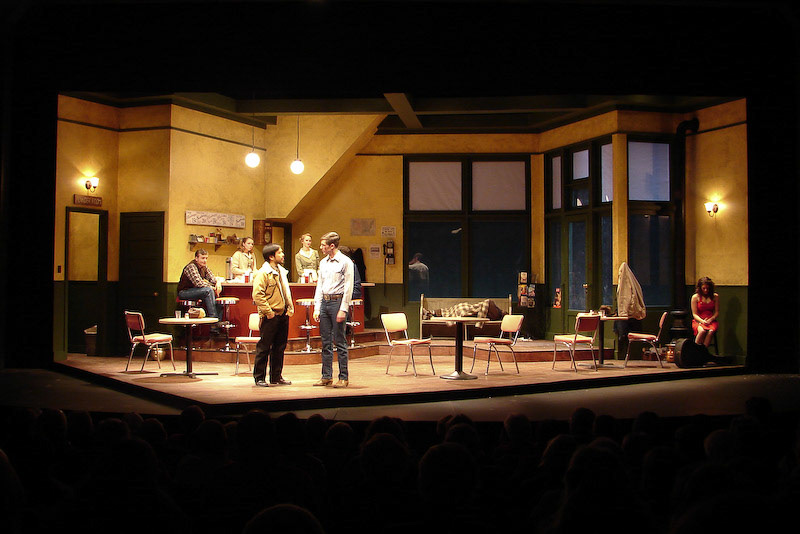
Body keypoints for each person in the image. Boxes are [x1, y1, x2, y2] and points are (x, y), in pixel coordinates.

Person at [313, 231, 354, 388]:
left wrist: (343, 309)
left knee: (340, 341)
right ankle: (326, 376)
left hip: (338, 302)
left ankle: (343, 377)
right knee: (326, 342)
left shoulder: (345, 262)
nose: (321, 247)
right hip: (325, 301)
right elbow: (320, 285)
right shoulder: (323, 262)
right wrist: (317, 307)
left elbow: (349, 287)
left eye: (323, 245)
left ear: (332, 246)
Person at [251, 244, 294, 387]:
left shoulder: (281, 271)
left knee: (279, 347)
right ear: (271, 257)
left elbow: (285, 291)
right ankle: (259, 377)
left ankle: (276, 376)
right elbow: (257, 295)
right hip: (271, 315)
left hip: (282, 314)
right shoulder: (263, 273)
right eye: (279, 253)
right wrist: (269, 313)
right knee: (264, 347)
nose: (283, 254)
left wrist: (289, 307)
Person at [177, 249, 222, 322]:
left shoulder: (204, 267)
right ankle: (213, 321)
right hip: (184, 292)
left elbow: (213, 279)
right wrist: (213, 288)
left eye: (206, 258)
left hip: (196, 291)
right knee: (208, 290)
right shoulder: (191, 266)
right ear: (196, 258)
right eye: (202, 258)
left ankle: (218, 321)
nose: (205, 260)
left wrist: (218, 283)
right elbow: (199, 283)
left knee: (216, 295)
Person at [691, 276, 719, 347]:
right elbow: (694, 314)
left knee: (711, 331)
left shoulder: (715, 296)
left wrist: (710, 320)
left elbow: (716, 312)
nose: (706, 290)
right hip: (699, 320)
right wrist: (702, 321)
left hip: (711, 320)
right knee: (702, 331)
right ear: (700, 288)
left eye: (708, 288)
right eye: (704, 288)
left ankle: (704, 350)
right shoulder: (695, 297)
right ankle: (695, 350)